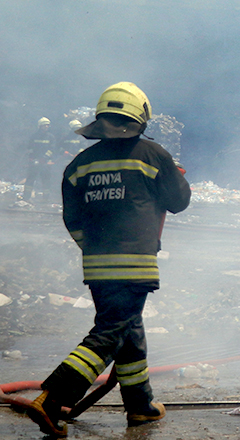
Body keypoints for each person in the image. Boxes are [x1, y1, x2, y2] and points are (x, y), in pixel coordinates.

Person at [25, 82, 191, 437]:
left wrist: (93, 249)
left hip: (97, 266)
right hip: (135, 263)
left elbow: (72, 219)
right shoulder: (152, 155)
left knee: (127, 331)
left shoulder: (79, 165)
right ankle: (52, 399)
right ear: (140, 118)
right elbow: (178, 202)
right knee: (109, 333)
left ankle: (140, 406)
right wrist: (174, 176)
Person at [23, 117, 57, 201]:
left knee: (46, 180)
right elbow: (30, 148)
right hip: (34, 162)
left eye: (47, 125)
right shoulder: (34, 136)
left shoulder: (51, 137)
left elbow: (52, 149)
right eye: (44, 125)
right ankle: (26, 197)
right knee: (30, 179)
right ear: (40, 126)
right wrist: (31, 158)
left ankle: (45, 199)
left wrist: (44, 158)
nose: (46, 127)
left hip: (45, 163)